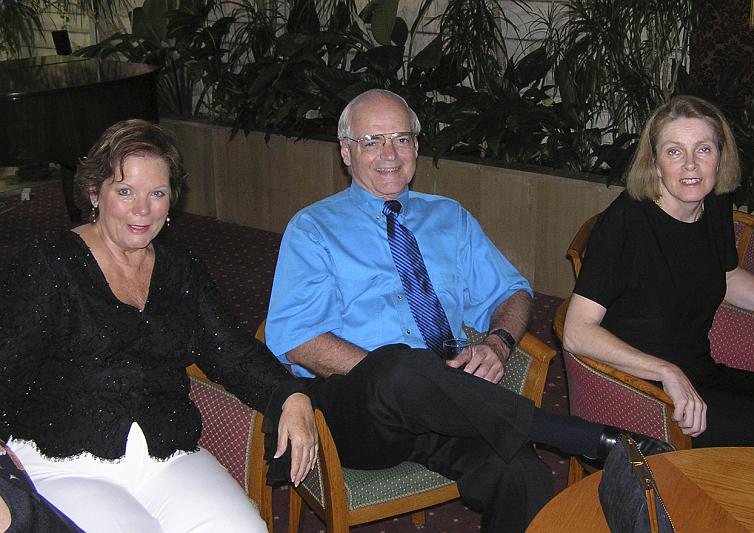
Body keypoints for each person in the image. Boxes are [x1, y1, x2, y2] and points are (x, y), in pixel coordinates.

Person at [265, 89, 672, 533]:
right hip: (354, 410)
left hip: (447, 403)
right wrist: (404, 381)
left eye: (402, 139)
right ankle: (577, 436)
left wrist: (499, 343)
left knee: (524, 475)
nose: (390, 153)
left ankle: (442, 391)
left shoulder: (450, 218)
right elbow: (299, 339)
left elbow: (513, 291)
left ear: (417, 147)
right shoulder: (313, 228)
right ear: (345, 152)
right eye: (372, 141)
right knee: (400, 369)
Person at [0, 120, 318, 533]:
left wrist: (289, 394)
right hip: (67, 461)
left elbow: (229, 349)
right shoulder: (47, 266)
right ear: (95, 193)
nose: (141, 210)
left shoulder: (181, 270)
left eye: (157, 193)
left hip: (168, 455)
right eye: (125, 191)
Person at [563, 95, 754, 449]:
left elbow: (729, 277)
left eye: (703, 150)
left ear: (720, 158)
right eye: (674, 152)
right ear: (655, 164)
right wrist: (666, 371)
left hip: (702, 374)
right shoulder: (625, 223)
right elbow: (576, 332)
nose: (691, 165)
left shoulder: (714, 202)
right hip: (643, 391)